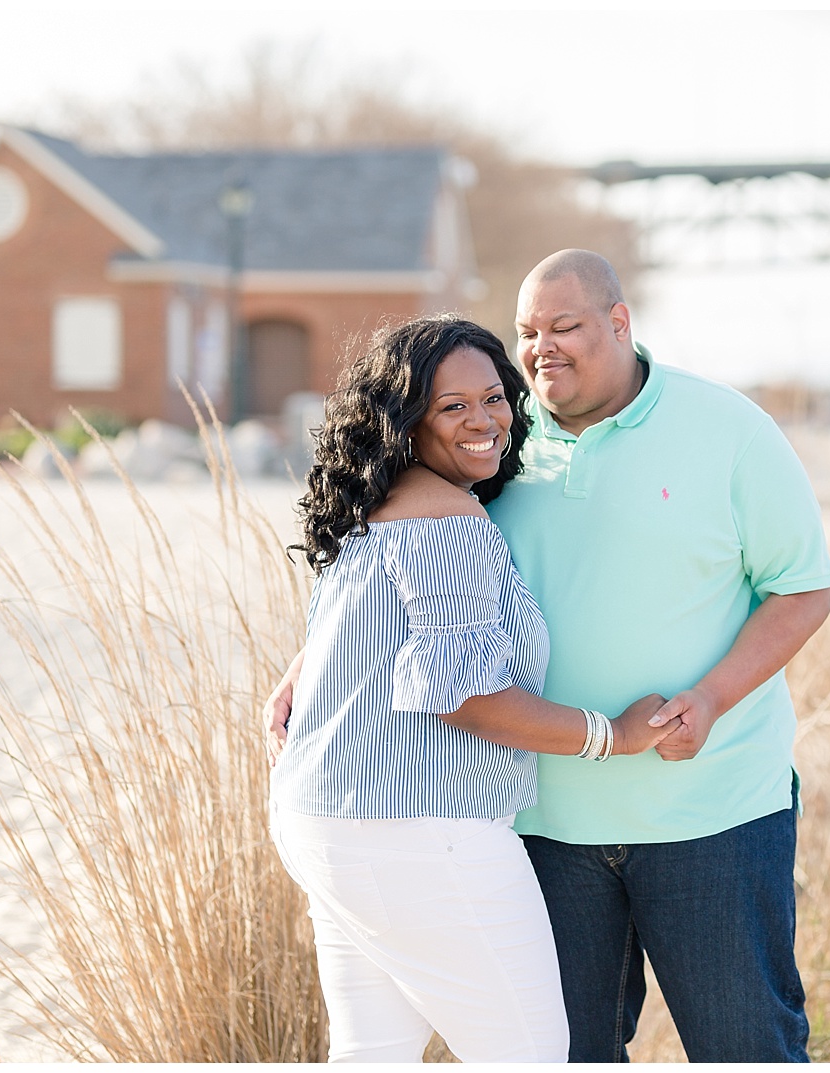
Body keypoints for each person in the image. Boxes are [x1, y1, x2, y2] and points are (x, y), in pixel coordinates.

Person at [269, 252, 830, 1062]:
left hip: (709, 810)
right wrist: (311, 665)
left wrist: (708, 699)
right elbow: (407, 584)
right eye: (527, 331)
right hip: (541, 822)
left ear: (619, 321)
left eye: (565, 326)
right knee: (571, 1054)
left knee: (746, 1047)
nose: (543, 349)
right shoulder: (495, 444)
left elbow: (802, 589)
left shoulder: (730, 430)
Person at [267, 314, 676, 1063]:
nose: (485, 420)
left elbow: (381, 639)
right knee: (528, 1053)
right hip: (421, 828)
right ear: (405, 420)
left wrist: (309, 664)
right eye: (452, 407)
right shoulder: (445, 520)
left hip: (325, 819)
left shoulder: (379, 507)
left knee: (373, 1053)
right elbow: (463, 693)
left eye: (494, 397)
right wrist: (613, 736)